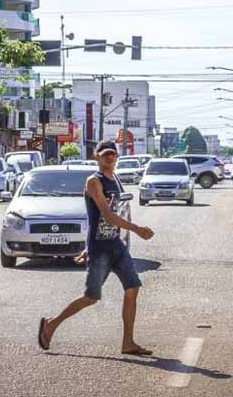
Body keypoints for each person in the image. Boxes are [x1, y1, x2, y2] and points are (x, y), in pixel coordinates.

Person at [38, 140, 155, 355]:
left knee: (132, 287)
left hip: (116, 245)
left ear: (117, 157)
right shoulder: (94, 181)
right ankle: (51, 324)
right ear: (97, 157)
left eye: (112, 154)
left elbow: (115, 213)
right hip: (100, 248)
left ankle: (128, 343)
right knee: (91, 297)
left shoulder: (114, 179)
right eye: (105, 154)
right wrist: (136, 229)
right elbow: (107, 215)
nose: (109, 157)